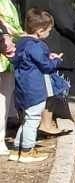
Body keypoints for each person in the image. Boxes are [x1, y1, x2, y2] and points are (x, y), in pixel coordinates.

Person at [24, 0, 75, 137]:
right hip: (55, 47)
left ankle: (49, 120)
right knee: (53, 87)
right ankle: (46, 123)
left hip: (41, 45)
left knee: (48, 87)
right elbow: (67, 24)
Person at [8, 9, 65, 164]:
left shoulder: (21, 43)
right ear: (40, 30)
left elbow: (28, 59)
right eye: (48, 30)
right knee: (33, 119)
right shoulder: (37, 45)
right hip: (34, 88)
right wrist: (56, 60)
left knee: (27, 119)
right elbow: (46, 66)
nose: (49, 33)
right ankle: (27, 151)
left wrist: (47, 57)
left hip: (22, 86)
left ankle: (17, 149)